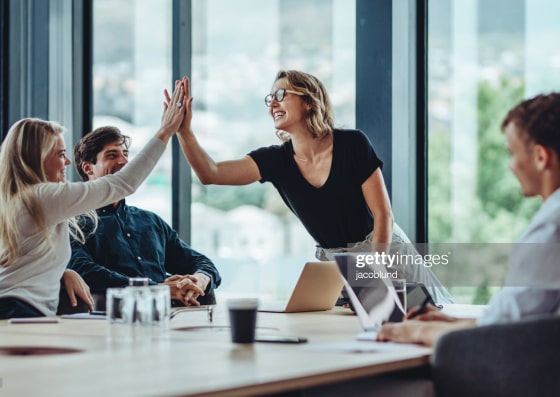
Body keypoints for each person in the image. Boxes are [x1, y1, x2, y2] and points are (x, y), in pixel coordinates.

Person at [170, 70, 452, 304]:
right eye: (270, 98)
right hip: (335, 265)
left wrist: (373, 272)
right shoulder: (275, 160)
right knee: (351, 338)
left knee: (428, 321)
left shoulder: (353, 144)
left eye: (281, 94)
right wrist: (184, 131)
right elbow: (211, 173)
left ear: (308, 101)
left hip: (385, 250)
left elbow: (383, 215)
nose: (272, 103)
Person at [377, 92, 560, 346]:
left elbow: (501, 334)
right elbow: (520, 318)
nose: (510, 165)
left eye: (512, 153)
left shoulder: (552, 229)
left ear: (541, 157)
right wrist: (450, 322)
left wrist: (413, 332)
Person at [0, 80, 186, 319]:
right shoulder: (41, 197)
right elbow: (123, 183)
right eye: (60, 154)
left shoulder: (18, 200)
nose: (67, 162)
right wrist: (165, 131)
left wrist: (63, 272)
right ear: (37, 158)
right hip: (20, 312)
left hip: (16, 311)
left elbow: (26, 262)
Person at [68, 126, 221, 307]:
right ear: (88, 168)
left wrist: (199, 280)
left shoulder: (150, 221)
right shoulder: (74, 224)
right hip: (114, 320)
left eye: (125, 154)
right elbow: (84, 270)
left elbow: (201, 262)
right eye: (112, 155)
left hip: (172, 319)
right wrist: (155, 289)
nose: (124, 161)